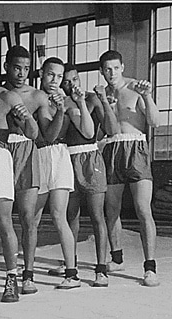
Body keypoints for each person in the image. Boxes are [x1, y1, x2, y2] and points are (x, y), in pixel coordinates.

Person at [0, 45, 50, 294]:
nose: (21, 73)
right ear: (5, 68)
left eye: (26, 69)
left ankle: (27, 275)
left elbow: (38, 134)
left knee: (27, 217)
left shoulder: (33, 96)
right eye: (17, 67)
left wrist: (26, 118)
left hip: (23, 152)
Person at [99, 50, 161, 287]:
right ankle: (116, 258)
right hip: (111, 149)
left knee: (142, 209)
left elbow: (155, 122)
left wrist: (147, 96)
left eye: (115, 68)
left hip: (135, 148)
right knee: (111, 209)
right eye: (107, 69)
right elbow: (104, 129)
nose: (111, 73)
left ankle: (150, 267)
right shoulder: (102, 93)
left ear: (122, 67)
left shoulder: (136, 88)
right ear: (102, 71)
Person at [59, 63, 115, 287]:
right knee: (70, 216)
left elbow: (112, 129)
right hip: (67, 158)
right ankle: (71, 267)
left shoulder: (92, 99)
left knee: (96, 216)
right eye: (66, 81)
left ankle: (101, 270)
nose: (71, 84)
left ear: (80, 79)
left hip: (91, 159)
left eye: (74, 79)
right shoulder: (59, 102)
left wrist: (104, 102)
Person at [35, 57, 83, 289]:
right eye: (50, 75)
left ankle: (72, 273)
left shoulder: (66, 102)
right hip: (37, 156)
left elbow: (54, 135)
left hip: (59, 156)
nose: (55, 80)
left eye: (59, 76)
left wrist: (69, 108)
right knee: (31, 219)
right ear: (42, 74)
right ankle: (26, 274)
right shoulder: (36, 98)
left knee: (58, 215)